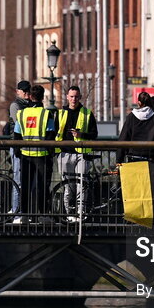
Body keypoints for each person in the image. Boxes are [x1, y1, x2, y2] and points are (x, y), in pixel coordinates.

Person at [54, 85, 99, 221]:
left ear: (80, 97)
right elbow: (55, 133)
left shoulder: (87, 113)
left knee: (82, 185)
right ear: (67, 97)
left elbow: (94, 134)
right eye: (71, 96)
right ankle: (69, 215)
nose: (74, 99)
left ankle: (80, 214)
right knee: (67, 186)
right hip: (64, 153)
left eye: (76, 97)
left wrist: (81, 134)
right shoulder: (60, 113)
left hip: (81, 154)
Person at [13, 84, 55, 224]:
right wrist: (50, 153)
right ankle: (43, 215)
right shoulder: (46, 114)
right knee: (42, 186)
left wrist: (18, 152)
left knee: (25, 186)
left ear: (30, 96)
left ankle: (24, 215)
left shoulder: (22, 113)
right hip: (42, 155)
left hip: (26, 155)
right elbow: (50, 135)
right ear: (43, 97)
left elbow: (17, 135)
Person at [118, 91, 154, 162]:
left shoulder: (131, 117)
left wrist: (119, 159)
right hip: (153, 158)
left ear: (139, 103)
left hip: (134, 156)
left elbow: (124, 138)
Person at [7, 81, 32, 219]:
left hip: (29, 144)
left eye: (28, 91)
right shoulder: (15, 105)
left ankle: (23, 211)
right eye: (24, 91)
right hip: (18, 144)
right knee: (18, 179)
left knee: (25, 180)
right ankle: (16, 211)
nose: (27, 93)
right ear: (18, 92)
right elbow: (19, 124)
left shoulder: (30, 105)